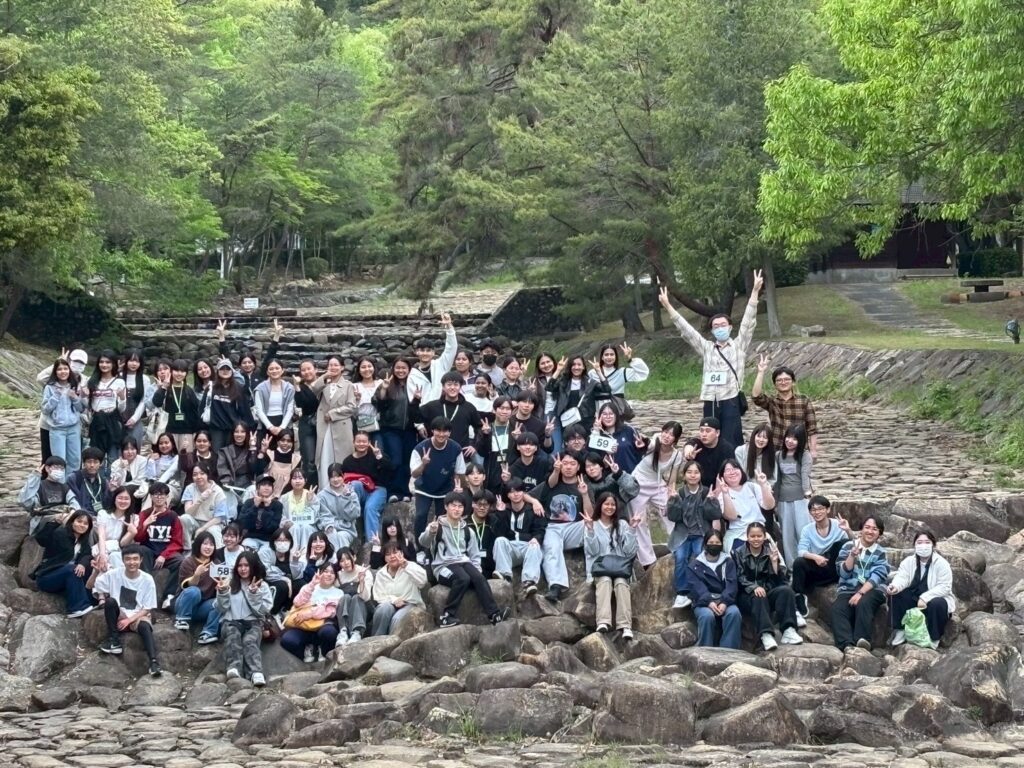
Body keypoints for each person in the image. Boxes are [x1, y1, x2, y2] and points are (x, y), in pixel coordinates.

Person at [658, 272, 764, 447]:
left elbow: (748, 322)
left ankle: (732, 463)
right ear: (712, 331)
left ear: (730, 327)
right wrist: (668, 306)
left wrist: (754, 292)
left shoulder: (739, 345)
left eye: (723, 325)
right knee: (709, 438)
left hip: (730, 398)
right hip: (710, 399)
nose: (720, 328)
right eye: (716, 326)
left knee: (731, 439)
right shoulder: (707, 347)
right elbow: (687, 331)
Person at [418, 492, 510, 627]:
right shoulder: (437, 526)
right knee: (463, 579)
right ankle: (447, 616)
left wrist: (476, 571)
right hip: (442, 566)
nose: (457, 509)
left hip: (463, 562)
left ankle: (494, 615)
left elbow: (475, 554)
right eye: (453, 506)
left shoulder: (467, 530)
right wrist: (431, 532)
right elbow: (423, 542)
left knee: (479, 578)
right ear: (446, 507)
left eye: (460, 506)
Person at [95, 544, 163, 676]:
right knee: (110, 602)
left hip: (137, 615)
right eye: (128, 559)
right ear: (123, 560)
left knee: (145, 626)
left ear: (141, 560)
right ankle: (114, 640)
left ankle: (154, 662)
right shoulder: (114, 574)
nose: (132, 562)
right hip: (119, 614)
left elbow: (147, 608)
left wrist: (129, 620)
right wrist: (95, 572)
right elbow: (91, 585)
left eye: (135, 559)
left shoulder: (147, 579)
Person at [733, 522, 803, 650]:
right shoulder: (737, 553)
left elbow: (779, 580)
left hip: (766, 592)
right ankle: (766, 634)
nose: (756, 539)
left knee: (786, 591)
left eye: (759, 536)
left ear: (765, 536)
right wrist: (754, 587)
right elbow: (739, 577)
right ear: (747, 537)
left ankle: (788, 630)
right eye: (752, 536)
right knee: (758, 596)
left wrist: (774, 563)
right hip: (746, 596)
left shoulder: (769, 552)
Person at [536, 451, 594, 603]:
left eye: (572, 464)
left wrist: (584, 494)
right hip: (553, 527)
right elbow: (528, 494)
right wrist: (556, 471)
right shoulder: (552, 482)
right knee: (551, 547)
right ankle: (556, 585)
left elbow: (589, 515)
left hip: (574, 528)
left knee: (592, 526)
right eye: (565, 463)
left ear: (578, 467)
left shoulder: (584, 484)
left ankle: (593, 575)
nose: (568, 467)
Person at [584, 492, 640, 639]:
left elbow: (629, 551)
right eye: (606, 504)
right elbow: (592, 551)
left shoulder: (622, 525)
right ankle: (603, 622)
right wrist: (590, 530)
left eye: (613, 504)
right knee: (605, 580)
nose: (610, 507)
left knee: (621, 583)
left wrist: (632, 529)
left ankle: (625, 626)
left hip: (620, 569)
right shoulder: (593, 524)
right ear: (600, 505)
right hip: (600, 569)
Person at [667, 460, 722, 610]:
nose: (693, 475)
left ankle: (701, 589)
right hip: (682, 534)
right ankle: (682, 592)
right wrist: (673, 501)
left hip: (701, 533)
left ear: (700, 475)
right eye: (689, 472)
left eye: (696, 472)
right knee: (680, 557)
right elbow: (673, 517)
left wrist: (711, 501)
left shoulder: (706, 492)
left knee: (700, 555)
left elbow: (714, 515)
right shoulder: (679, 493)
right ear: (684, 475)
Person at [885, 530, 954, 649]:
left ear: (933, 544)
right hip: (914, 598)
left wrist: (925, 598)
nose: (923, 546)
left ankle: (934, 637)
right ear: (915, 545)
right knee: (896, 594)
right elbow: (902, 577)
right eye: (919, 542)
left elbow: (945, 586)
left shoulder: (942, 564)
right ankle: (900, 629)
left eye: (927, 542)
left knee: (938, 603)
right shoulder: (908, 561)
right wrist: (895, 586)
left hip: (933, 599)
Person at [629, 422, 684, 569]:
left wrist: (672, 492)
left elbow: (672, 478)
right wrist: (643, 442)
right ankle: (647, 561)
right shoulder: (655, 441)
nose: (667, 436)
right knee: (639, 521)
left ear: (676, 439)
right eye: (665, 432)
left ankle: (679, 546)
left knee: (671, 511)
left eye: (671, 434)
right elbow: (648, 443)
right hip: (638, 483)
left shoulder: (677, 455)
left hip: (658, 485)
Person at [831, 516, 889, 652]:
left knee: (864, 602)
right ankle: (846, 644)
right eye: (867, 527)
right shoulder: (848, 546)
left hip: (873, 589)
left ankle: (862, 640)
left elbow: (878, 576)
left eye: (875, 529)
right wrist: (851, 556)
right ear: (861, 530)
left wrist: (860, 593)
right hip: (848, 588)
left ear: (879, 533)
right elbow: (843, 573)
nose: (870, 531)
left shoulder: (881, 552)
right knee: (838, 609)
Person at [215, 550, 273, 686]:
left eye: (246, 565)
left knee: (249, 640)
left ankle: (255, 672)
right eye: (240, 565)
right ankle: (234, 668)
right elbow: (221, 608)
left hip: (253, 622)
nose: (243, 569)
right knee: (233, 636)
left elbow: (264, 611)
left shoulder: (262, 585)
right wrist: (222, 592)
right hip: (231, 621)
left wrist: (254, 594)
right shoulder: (229, 583)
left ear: (253, 566)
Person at [792, 496, 851, 625]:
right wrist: (816, 557)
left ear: (828, 509)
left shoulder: (838, 525)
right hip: (818, 567)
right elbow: (801, 551)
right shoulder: (807, 529)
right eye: (813, 510)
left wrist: (847, 530)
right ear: (810, 512)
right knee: (798, 562)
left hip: (835, 568)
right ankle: (798, 598)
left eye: (820, 509)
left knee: (842, 543)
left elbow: (854, 545)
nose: (817, 512)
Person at [752, 356, 820, 458]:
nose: (783, 382)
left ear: (793, 382)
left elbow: (812, 428)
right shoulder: (772, 402)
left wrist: (813, 450)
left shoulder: (804, 400)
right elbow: (756, 397)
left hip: (799, 450)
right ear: (775, 384)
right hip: (776, 449)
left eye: (787, 379)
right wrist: (760, 372)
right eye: (779, 380)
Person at [410, 417, 467, 538]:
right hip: (424, 488)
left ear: (449, 433)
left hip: (445, 489)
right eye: (438, 430)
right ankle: (420, 545)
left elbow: (460, 472)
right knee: (421, 515)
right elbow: (414, 474)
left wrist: (459, 488)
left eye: (445, 431)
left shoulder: (456, 448)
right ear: (432, 431)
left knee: (442, 519)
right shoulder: (420, 448)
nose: (441, 434)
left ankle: (439, 545)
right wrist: (423, 464)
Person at [374, 358, 422, 502]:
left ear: (409, 370)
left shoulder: (413, 384)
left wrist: (417, 399)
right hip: (391, 428)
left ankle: (405, 491)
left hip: (410, 429)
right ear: (393, 369)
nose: (401, 371)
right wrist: (384, 389)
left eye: (404, 368)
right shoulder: (388, 383)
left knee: (407, 461)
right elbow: (377, 403)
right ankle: (393, 491)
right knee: (395, 460)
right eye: (398, 368)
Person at [33, 510, 95, 617]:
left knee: (89, 567)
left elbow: (87, 555)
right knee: (73, 569)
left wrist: (82, 564)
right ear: (72, 521)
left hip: (66, 579)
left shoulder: (83, 541)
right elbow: (42, 539)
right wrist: (54, 523)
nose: (82, 525)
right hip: (48, 577)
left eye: (85, 523)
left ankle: (91, 602)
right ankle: (76, 608)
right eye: (79, 521)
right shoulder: (61, 533)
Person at [134, 482, 186, 608]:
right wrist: (145, 524)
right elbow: (138, 538)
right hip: (149, 551)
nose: (159, 497)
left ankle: (168, 596)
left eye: (162, 494)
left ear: (167, 497)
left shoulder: (173, 516)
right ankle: (144, 594)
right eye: (155, 494)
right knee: (141, 551)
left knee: (181, 561)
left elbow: (177, 541)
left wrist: (164, 555)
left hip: (166, 552)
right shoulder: (144, 514)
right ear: (151, 497)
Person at [491, 478, 546, 595]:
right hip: (511, 549)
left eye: (518, 491)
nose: (516, 494)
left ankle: (529, 581)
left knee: (535, 545)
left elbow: (540, 530)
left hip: (528, 547)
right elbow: (500, 533)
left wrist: (535, 538)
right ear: (508, 495)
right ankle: (505, 575)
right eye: (512, 492)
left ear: (523, 492)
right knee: (500, 540)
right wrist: (500, 513)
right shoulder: (505, 510)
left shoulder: (533, 509)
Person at [310, 355, 357, 489]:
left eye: (336, 365)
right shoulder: (324, 384)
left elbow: (352, 407)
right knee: (324, 457)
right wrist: (324, 376)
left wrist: (333, 413)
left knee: (342, 457)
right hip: (324, 426)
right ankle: (324, 488)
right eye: (330, 365)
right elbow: (312, 389)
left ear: (342, 367)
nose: (333, 367)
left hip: (341, 426)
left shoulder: (348, 385)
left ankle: (344, 489)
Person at [688, 531, 741, 649]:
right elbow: (696, 587)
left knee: (734, 613)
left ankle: (729, 650)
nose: (714, 545)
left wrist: (724, 602)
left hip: (725, 600)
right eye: (711, 542)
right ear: (705, 544)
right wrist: (709, 602)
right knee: (707, 616)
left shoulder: (728, 561)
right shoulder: (695, 564)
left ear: (722, 544)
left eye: (717, 542)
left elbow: (732, 584)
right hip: (703, 602)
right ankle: (705, 650)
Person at [280, 563, 343, 663]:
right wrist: (312, 584)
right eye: (325, 571)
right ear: (319, 573)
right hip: (304, 626)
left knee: (329, 633)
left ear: (335, 576)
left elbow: (330, 611)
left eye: (332, 572)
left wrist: (310, 614)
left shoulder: (338, 593)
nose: (329, 574)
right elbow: (297, 602)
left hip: (322, 626)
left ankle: (323, 651)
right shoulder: (309, 587)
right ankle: (305, 651)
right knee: (287, 640)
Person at [547, 355, 611, 451]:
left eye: (579, 365)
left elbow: (607, 389)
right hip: (568, 421)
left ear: (583, 367)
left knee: (587, 448)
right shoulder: (563, 382)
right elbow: (549, 387)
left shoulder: (590, 382)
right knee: (570, 448)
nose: (576, 367)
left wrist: (598, 371)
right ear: (570, 367)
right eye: (573, 365)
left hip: (586, 422)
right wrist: (558, 370)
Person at [37, 348, 89, 463]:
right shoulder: (51, 384)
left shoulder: (84, 381)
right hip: (50, 425)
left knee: (74, 459)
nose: (77, 365)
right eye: (75, 361)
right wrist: (59, 362)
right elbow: (40, 378)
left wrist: (79, 397)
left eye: (81, 362)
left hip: (73, 425)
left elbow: (83, 406)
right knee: (50, 458)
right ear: (70, 361)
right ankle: (48, 475)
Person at [340, 432, 393, 541]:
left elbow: (390, 470)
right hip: (360, 492)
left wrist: (379, 457)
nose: (361, 444)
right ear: (354, 443)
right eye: (358, 441)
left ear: (369, 443)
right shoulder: (347, 461)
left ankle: (372, 543)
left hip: (377, 490)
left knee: (370, 508)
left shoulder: (375, 455)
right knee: (354, 484)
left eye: (364, 441)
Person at [774, 424, 813, 568]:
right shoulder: (778, 455)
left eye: (795, 439)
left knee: (803, 531)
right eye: (788, 437)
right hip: (783, 500)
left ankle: (807, 563)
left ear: (801, 441)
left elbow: (805, 476)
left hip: (800, 500)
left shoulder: (805, 455)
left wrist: (807, 495)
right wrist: (775, 501)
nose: (790, 441)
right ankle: (791, 566)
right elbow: (777, 480)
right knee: (787, 535)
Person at [172, 531, 221, 644]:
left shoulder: (216, 564)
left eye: (211, 544)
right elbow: (187, 587)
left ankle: (208, 633)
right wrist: (197, 575)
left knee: (220, 601)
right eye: (205, 544)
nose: (208, 547)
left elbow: (222, 584)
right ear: (198, 545)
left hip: (201, 608)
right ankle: (181, 619)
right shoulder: (188, 562)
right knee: (194, 591)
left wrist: (221, 587)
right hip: (184, 604)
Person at [416, 372, 483, 453]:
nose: (452, 387)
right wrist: (415, 401)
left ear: (460, 387)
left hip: (460, 453)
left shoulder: (469, 407)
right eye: (449, 384)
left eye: (456, 385)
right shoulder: (432, 406)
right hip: (433, 452)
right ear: (443, 387)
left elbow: (479, 427)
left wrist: (474, 446)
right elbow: (415, 417)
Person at [718, 458, 776, 552]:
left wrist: (763, 485)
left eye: (735, 468)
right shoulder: (722, 495)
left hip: (758, 531)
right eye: (727, 470)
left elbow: (769, 506)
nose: (732, 472)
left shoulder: (752, 486)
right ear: (722, 476)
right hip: (738, 534)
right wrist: (725, 493)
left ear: (741, 471)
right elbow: (731, 516)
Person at [371, 541, 428, 635]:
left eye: (395, 552)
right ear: (385, 558)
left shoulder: (411, 566)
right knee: (382, 609)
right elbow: (378, 595)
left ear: (402, 553)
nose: (392, 556)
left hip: (410, 603)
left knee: (397, 619)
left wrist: (406, 567)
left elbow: (423, 582)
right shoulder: (381, 573)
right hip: (390, 603)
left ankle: (392, 641)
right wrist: (394, 600)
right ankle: (377, 639)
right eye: (388, 554)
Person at [735, 423, 778, 539]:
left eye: (765, 438)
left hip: (763, 493)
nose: (761, 440)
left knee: (767, 526)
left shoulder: (771, 455)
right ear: (753, 436)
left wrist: (765, 487)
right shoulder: (741, 451)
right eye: (759, 436)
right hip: (746, 493)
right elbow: (740, 475)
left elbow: (773, 479)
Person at [85, 350, 128, 466]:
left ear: (113, 364)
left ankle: (113, 477)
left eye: (108, 362)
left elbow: (122, 409)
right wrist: (84, 396)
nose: (104, 365)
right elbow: (87, 404)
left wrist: (122, 397)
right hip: (97, 421)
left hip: (112, 420)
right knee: (96, 456)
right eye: (102, 362)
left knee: (113, 457)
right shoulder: (91, 381)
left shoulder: (119, 382)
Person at [19, 457, 79, 534]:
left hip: (63, 517)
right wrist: (34, 478)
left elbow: (74, 502)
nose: (59, 470)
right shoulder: (39, 486)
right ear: (47, 468)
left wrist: (73, 511)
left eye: (62, 468)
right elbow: (25, 502)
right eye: (56, 467)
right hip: (42, 520)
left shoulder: (64, 488)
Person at [152, 359, 201, 454]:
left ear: (186, 374)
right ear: (171, 371)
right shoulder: (166, 388)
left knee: (186, 458)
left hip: (186, 432)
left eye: (182, 371)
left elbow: (195, 411)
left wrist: (195, 432)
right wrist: (163, 387)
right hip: (168, 432)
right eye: (176, 370)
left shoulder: (189, 390)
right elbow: (157, 403)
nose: (179, 374)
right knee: (170, 457)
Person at [408, 312, 458, 403]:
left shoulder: (441, 365)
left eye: (428, 350)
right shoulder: (412, 375)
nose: (425, 353)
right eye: (422, 350)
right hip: (423, 410)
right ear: (416, 352)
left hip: (443, 408)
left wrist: (449, 327)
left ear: (433, 353)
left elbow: (451, 348)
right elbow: (412, 400)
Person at [587, 343, 649, 413]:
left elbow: (643, 373)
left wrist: (630, 359)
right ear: (602, 357)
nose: (609, 357)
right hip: (597, 409)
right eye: (606, 355)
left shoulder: (622, 372)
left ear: (616, 356)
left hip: (616, 410)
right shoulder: (593, 373)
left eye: (612, 354)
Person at [180, 465, 230, 547]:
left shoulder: (218, 491)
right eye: (195, 474)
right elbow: (188, 512)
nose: (198, 477)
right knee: (184, 518)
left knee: (213, 530)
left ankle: (218, 553)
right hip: (195, 521)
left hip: (213, 523)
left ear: (207, 475)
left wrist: (202, 529)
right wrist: (200, 499)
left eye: (202, 473)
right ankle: (187, 548)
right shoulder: (190, 488)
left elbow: (219, 518)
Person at [207, 359, 251, 452]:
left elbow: (244, 409)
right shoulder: (211, 387)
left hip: (233, 428)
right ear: (217, 371)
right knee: (217, 453)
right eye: (222, 369)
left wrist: (248, 427)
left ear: (232, 371)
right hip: (216, 428)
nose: (225, 371)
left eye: (228, 369)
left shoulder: (238, 387)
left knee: (232, 453)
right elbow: (203, 406)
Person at [316, 463, 361, 551]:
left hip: (347, 529)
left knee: (342, 536)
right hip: (329, 528)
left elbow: (353, 515)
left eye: (338, 476)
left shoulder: (351, 494)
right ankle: (335, 559)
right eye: (332, 477)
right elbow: (323, 515)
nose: (335, 479)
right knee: (331, 534)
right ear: (329, 478)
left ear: (343, 476)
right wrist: (329, 526)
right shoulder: (322, 495)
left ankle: (344, 558)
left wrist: (346, 498)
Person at [259, 528, 304, 617]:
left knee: (301, 584)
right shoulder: (265, 552)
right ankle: (272, 613)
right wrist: (285, 579)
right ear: (273, 541)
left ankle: (288, 609)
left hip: (288, 583)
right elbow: (266, 572)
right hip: (270, 582)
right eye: (279, 540)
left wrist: (295, 561)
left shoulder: (292, 553)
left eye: (286, 540)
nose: (283, 543)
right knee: (282, 585)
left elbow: (297, 577)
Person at [333, 548, 373, 645]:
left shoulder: (364, 571)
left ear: (354, 557)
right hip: (346, 610)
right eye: (342, 560)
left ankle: (357, 632)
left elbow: (366, 597)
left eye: (348, 558)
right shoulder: (338, 576)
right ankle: (343, 631)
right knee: (345, 597)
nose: (346, 563)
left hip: (364, 608)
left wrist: (361, 581)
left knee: (356, 598)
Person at [95, 486, 138, 572]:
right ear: (114, 499)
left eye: (126, 499)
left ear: (131, 501)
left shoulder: (134, 518)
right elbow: (101, 536)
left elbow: (122, 543)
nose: (123, 501)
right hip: (102, 549)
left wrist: (132, 533)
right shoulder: (103, 514)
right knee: (100, 555)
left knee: (114, 556)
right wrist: (102, 554)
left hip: (119, 551)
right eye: (120, 498)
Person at [254, 358, 295, 448]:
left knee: (284, 453)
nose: (274, 371)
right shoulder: (260, 388)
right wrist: (270, 427)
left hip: (284, 423)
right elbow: (259, 410)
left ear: (282, 370)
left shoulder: (290, 388)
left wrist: (282, 427)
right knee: (264, 453)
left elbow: (290, 409)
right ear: (267, 372)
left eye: (277, 368)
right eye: (271, 369)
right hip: (266, 423)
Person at [685, 417, 736, 489]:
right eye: (701, 430)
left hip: (720, 488)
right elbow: (689, 446)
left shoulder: (727, 448)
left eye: (708, 431)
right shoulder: (697, 444)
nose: (704, 434)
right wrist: (688, 454)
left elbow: (729, 472)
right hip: (697, 488)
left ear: (717, 433)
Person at [467, 490, 508, 578]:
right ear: (473, 504)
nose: (482, 508)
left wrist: (501, 514)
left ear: (490, 506)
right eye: (479, 504)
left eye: (485, 505)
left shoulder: (494, 521)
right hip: (470, 566)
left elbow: (503, 537)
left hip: (490, 567)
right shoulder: (465, 524)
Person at [281, 467, 321, 554]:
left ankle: (305, 555)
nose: (297, 481)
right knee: (295, 528)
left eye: (300, 478)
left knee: (305, 527)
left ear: (305, 480)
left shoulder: (312, 496)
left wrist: (309, 501)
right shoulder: (284, 498)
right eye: (294, 478)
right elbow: (281, 515)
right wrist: (286, 523)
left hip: (308, 527)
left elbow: (316, 516)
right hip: (291, 528)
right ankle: (293, 555)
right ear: (290, 481)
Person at [238, 475, 284, 550]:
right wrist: (255, 507)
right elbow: (243, 523)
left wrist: (267, 508)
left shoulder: (277, 505)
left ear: (272, 488)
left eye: (269, 485)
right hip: (251, 537)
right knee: (248, 548)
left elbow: (273, 528)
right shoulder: (249, 502)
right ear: (257, 487)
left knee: (265, 551)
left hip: (268, 539)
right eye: (263, 484)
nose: (266, 487)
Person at [293, 359, 321, 487]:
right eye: (303, 370)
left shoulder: (325, 383)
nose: (306, 372)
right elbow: (300, 403)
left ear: (316, 369)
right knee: (309, 459)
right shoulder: (301, 387)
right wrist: (297, 387)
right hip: (307, 423)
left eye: (309, 368)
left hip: (324, 422)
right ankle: (311, 488)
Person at [120, 349, 154, 449]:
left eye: (137, 361)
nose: (134, 364)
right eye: (131, 360)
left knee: (134, 449)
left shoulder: (144, 379)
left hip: (135, 420)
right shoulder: (119, 377)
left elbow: (144, 401)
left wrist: (134, 418)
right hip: (118, 420)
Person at [254, 429, 302, 497]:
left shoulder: (296, 459)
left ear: (292, 443)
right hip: (267, 493)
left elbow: (296, 479)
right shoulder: (270, 454)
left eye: (289, 441)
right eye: (282, 440)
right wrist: (262, 451)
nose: (285, 443)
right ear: (278, 441)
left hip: (285, 495)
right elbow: (258, 470)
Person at [68, 447, 107, 515]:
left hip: (99, 516)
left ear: (101, 463)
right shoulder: (74, 478)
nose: (92, 465)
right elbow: (71, 500)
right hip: (80, 515)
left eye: (95, 462)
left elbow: (107, 503)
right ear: (83, 463)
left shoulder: (103, 482)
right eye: (89, 462)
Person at [108, 437, 149, 503]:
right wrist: (121, 468)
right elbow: (115, 483)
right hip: (120, 490)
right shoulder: (115, 464)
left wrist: (125, 487)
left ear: (137, 450)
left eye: (132, 449)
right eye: (126, 449)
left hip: (137, 489)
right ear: (122, 451)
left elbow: (140, 480)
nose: (130, 452)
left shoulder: (142, 460)